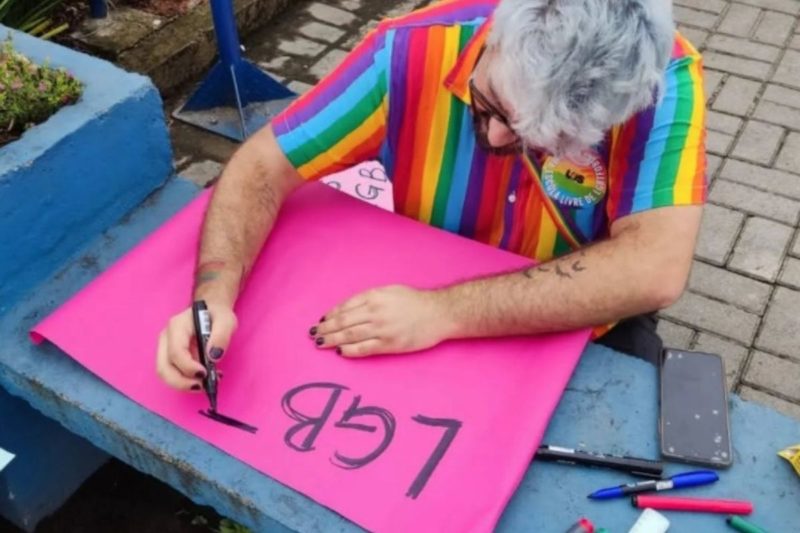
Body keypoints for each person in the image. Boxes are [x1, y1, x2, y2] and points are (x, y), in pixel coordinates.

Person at [157, 0, 706, 391]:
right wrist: (213, 298)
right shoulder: (406, 49)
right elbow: (260, 167)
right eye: (490, 104)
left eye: (540, 141)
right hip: (418, 299)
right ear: (495, 33)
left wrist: (446, 312)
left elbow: (652, 269)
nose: (494, 139)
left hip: (569, 325)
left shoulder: (662, 80)